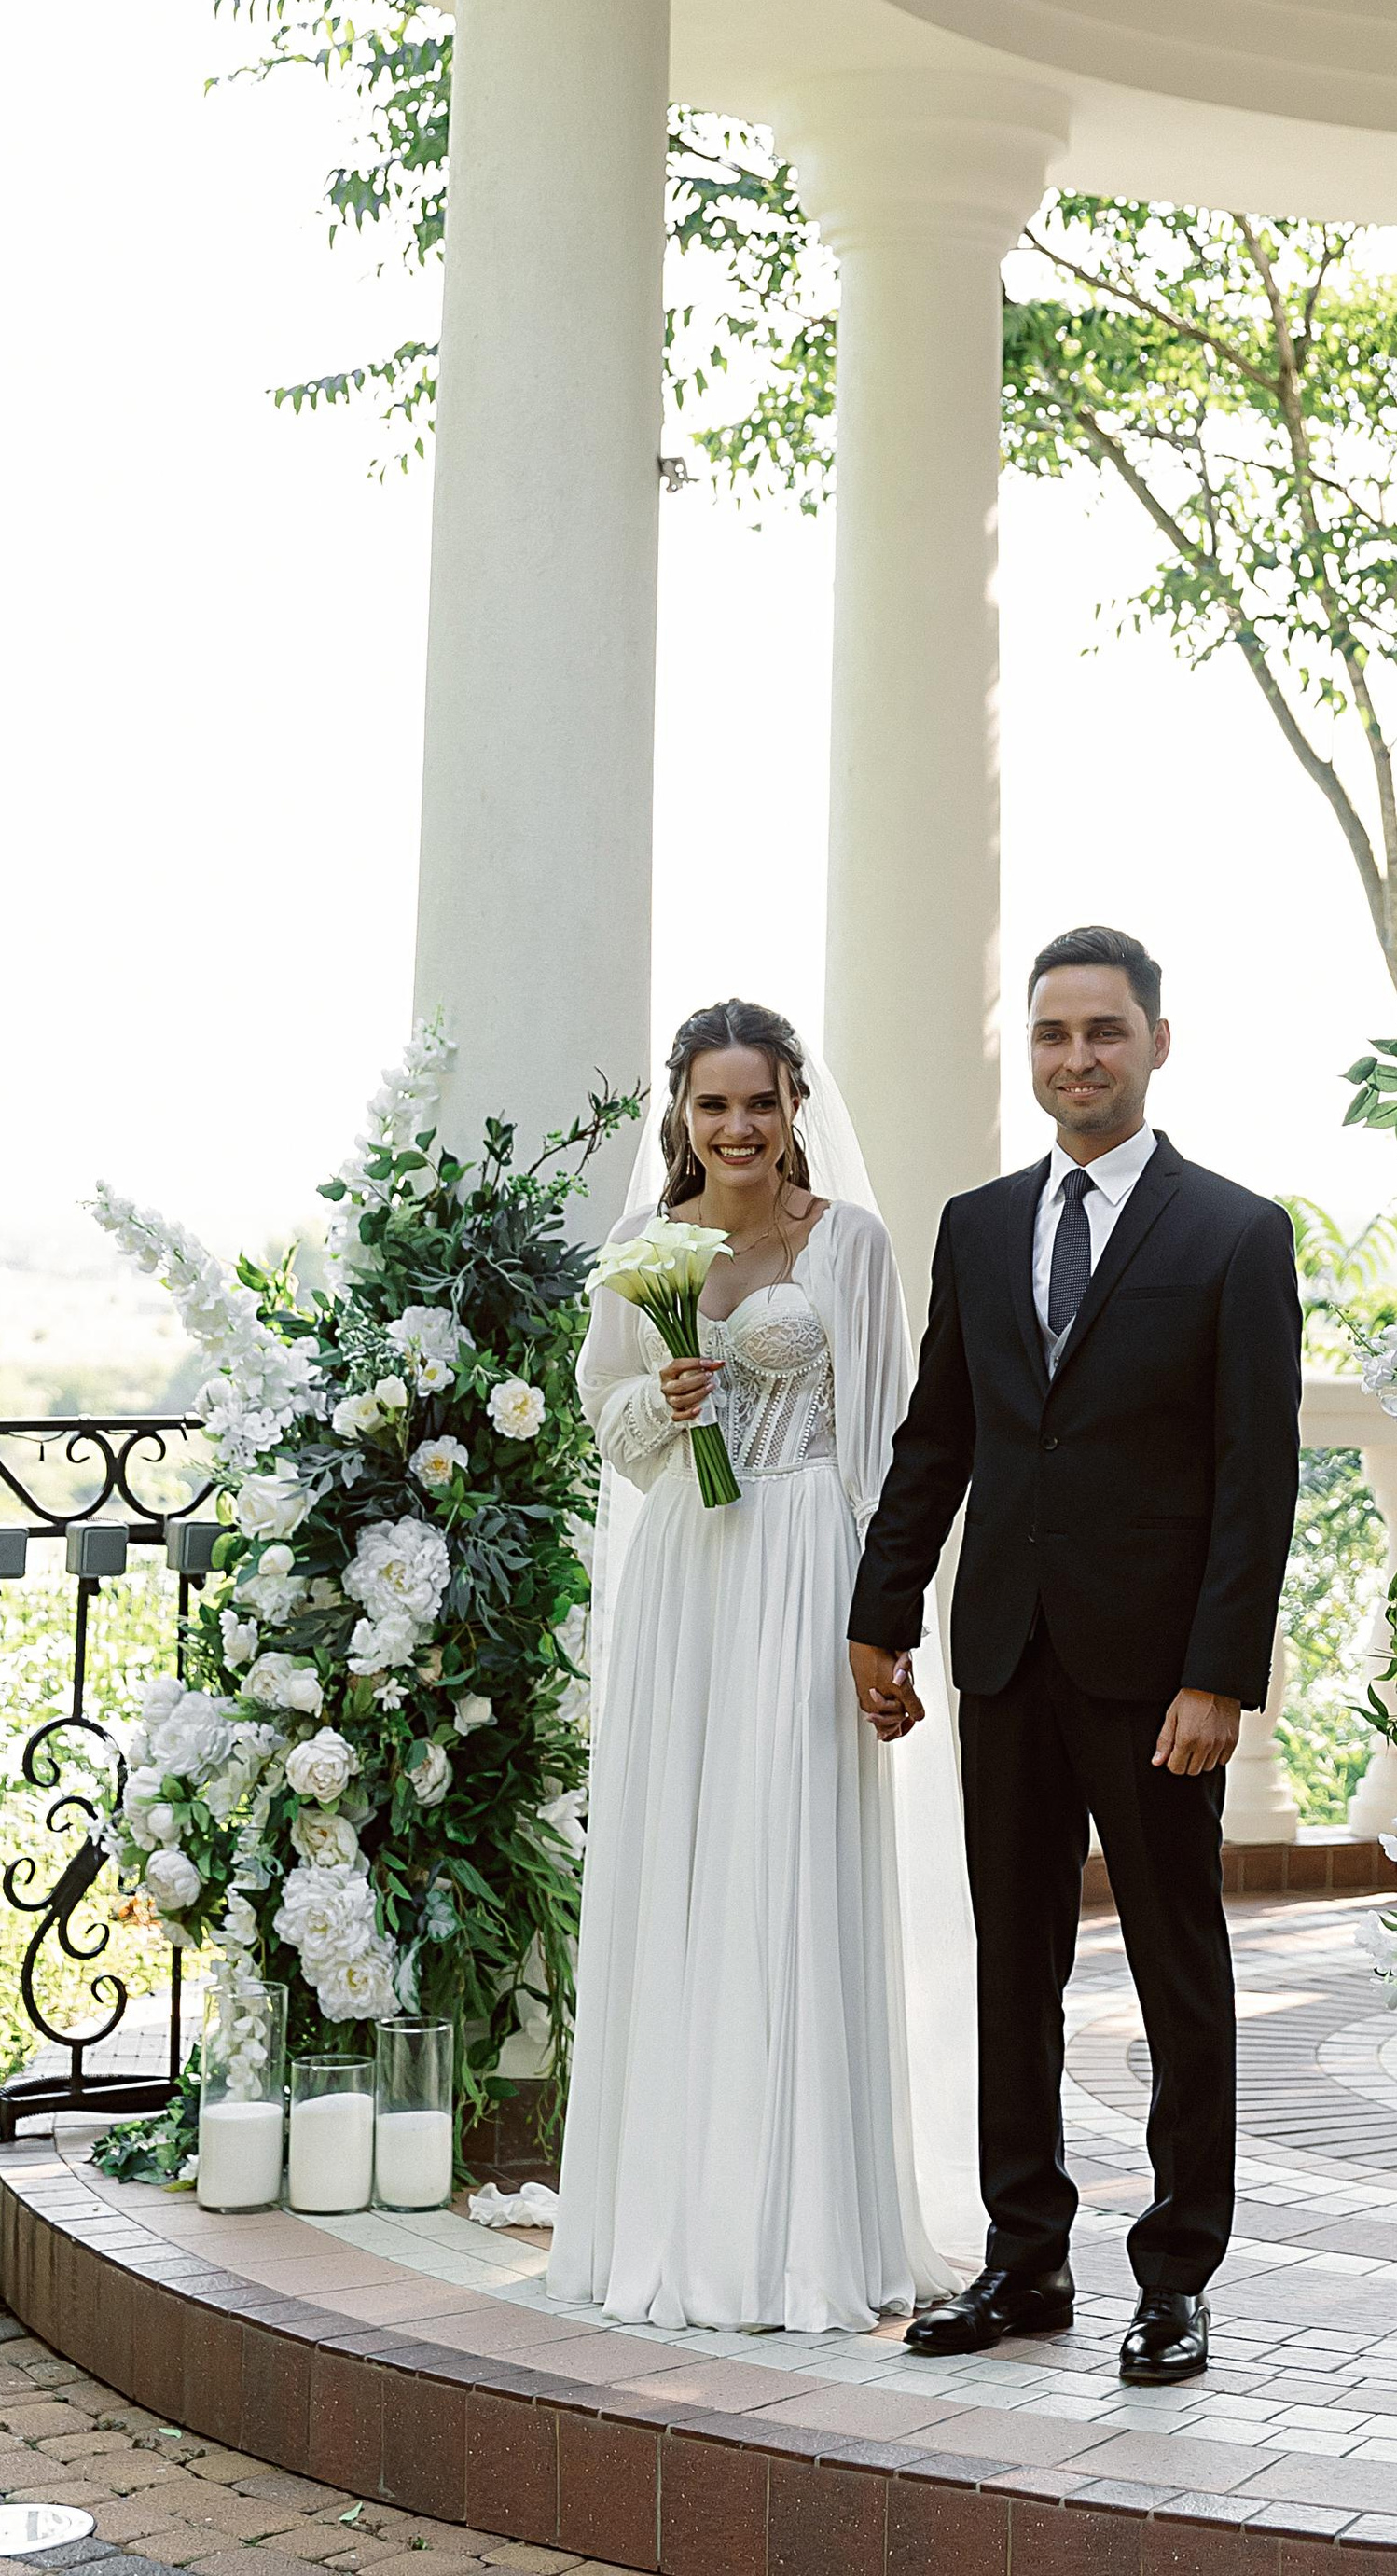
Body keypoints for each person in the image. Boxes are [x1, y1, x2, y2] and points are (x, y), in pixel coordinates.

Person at [848, 927, 1302, 2385]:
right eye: (1051, 1034)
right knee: (1016, 1965)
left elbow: (1256, 1476)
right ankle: (1023, 2260)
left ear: (1156, 1043)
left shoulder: (1235, 1235)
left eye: (1103, 1031)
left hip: (1160, 1676)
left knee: (1177, 1967)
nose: (1076, 1059)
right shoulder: (978, 1227)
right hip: (1007, 1663)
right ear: (1028, 1050)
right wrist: (884, 1610)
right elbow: (942, 1436)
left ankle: (1175, 2275)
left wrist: (1219, 1674)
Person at [544, 998, 978, 2333]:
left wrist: (878, 1619)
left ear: (797, 1106)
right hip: (689, 1565)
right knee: (682, 1854)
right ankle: (673, 2214)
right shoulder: (637, 1246)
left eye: (761, 1102)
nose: (737, 1128)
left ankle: (801, 2229)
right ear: (680, 1112)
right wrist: (654, 1408)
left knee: (786, 1859)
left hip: (802, 1558)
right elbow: (607, 1416)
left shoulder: (846, 1242)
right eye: (712, 1105)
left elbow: (893, 1440)